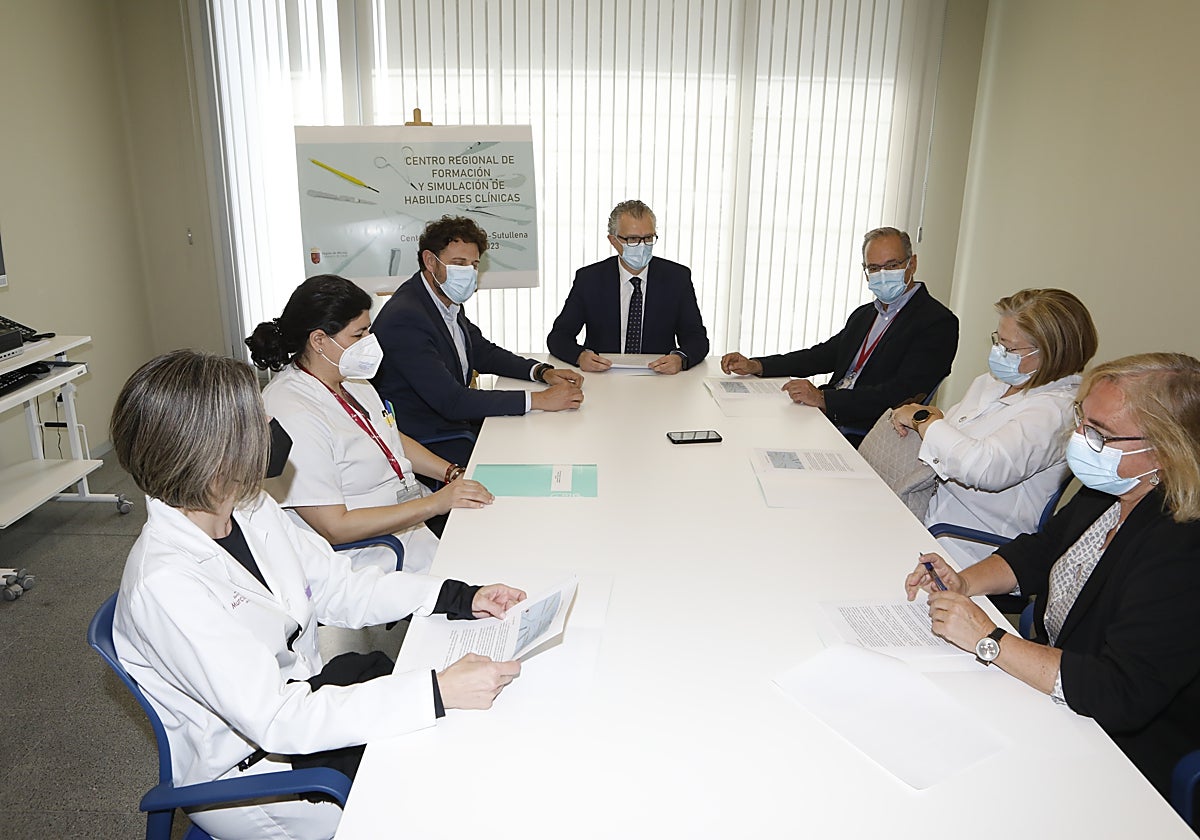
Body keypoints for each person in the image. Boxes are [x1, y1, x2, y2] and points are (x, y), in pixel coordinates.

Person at [110, 349, 524, 840]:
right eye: (253, 417)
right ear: (212, 454)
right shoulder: (166, 585)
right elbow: (277, 721)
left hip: (310, 702)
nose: (268, 421)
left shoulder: (247, 505)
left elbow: (339, 586)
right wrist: (435, 691)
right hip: (259, 775)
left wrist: (456, 596)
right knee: (443, 800)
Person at [905, 353, 1200, 805]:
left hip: (1119, 747)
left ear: (1164, 448)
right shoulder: (1112, 489)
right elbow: (1041, 551)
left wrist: (990, 639)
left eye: (1100, 433)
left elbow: (1118, 691)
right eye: (1083, 420)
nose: (1080, 439)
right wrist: (964, 582)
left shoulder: (1182, 546)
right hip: (1054, 688)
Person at [247, 275, 495, 572]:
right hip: (365, 557)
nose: (370, 343)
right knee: (487, 580)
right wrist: (437, 503)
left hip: (408, 524)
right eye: (359, 334)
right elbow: (335, 528)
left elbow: (389, 437)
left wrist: (451, 473)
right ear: (319, 340)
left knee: (496, 542)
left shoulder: (351, 380)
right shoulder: (290, 409)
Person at [889, 289, 1098, 567]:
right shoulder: (992, 381)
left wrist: (924, 420)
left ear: (1051, 353)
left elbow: (983, 467)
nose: (999, 353)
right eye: (998, 342)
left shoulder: (1056, 412)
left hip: (970, 542)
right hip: (926, 508)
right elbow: (950, 431)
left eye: (1010, 349)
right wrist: (929, 420)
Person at [371, 215, 584, 466]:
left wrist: (540, 371)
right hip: (425, 440)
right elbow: (452, 401)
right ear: (430, 261)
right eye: (458, 263)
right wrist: (539, 400)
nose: (469, 273)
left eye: (473, 264)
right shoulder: (406, 317)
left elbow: (481, 352)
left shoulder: (442, 300)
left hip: (450, 422)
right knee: (526, 458)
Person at [720, 226, 958, 445]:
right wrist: (758, 365)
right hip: (829, 417)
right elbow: (821, 356)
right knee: (747, 427)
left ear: (912, 264)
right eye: (874, 268)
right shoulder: (866, 314)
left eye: (892, 265)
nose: (882, 274)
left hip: (866, 432)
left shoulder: (937, 322)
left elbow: (902, 392)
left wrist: (825, 399)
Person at [546, 199, 709, 374]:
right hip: (603, 377)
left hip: (659, 379)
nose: (642, 246)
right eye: (632, 239)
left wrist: (680, 359)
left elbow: (696, 339)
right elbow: (559, 337)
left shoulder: (677, 278)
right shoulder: (590, 279)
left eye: (648, 238)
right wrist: (579, 356)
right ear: (613, 240)